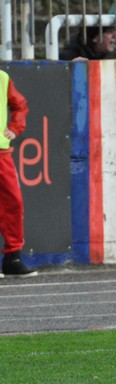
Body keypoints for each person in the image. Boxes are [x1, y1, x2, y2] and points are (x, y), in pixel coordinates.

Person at [0, 70, 37, 279]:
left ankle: (12, 258)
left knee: (13, 202)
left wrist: (15, 127)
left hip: (2, 152)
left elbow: (19, 105)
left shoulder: (2, 78)